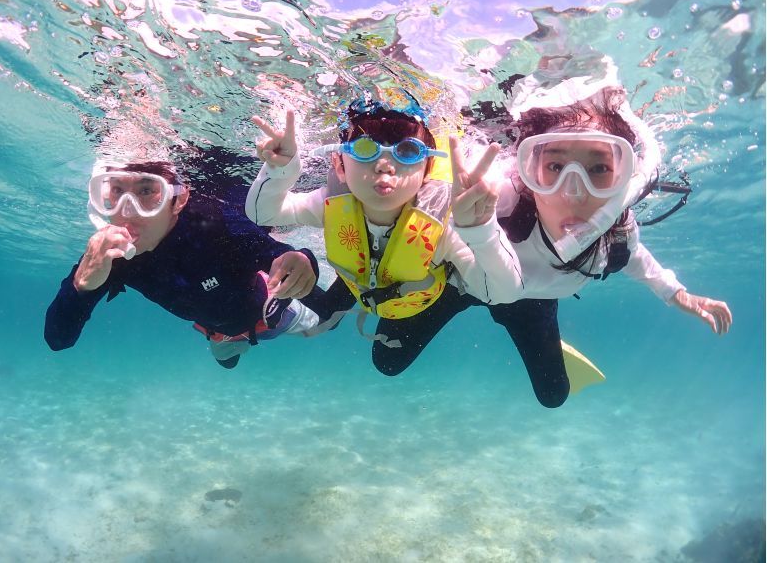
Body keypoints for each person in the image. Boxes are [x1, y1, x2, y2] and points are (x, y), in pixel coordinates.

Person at [371, 68, 733, 408]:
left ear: (626, 176)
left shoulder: (616, 233)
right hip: (463, 283)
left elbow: (637, 259)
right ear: (528, 170)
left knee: (553, 395)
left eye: (599, 169)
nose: (574, 192)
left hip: (531, 303)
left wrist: (677, 294)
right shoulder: (501, 199)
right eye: (555, 168)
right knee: (386, 361)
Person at [245, 94, 523, 355]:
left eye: (407, 151)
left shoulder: (441, 226)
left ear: (426, 170)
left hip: (427, 298)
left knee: (389, 364)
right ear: (339, 165)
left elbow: (503, 292)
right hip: (373, 290)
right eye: (365, 149)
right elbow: (264, 214)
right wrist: (280, 169)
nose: (384, 164)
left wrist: (481, 228)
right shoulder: (330, 206)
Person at [44, 158, 325, 369]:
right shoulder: (111, 257)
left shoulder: (216, 225)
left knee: (325, 322)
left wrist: (304, 261)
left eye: (146, 192)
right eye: (117, 191)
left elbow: (282, 255)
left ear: (178, 200)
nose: (127, 209)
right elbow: (58, 340)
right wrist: (80, 286)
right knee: (227, 361)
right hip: (216, 335)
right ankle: (228, 345)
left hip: (271, 317)